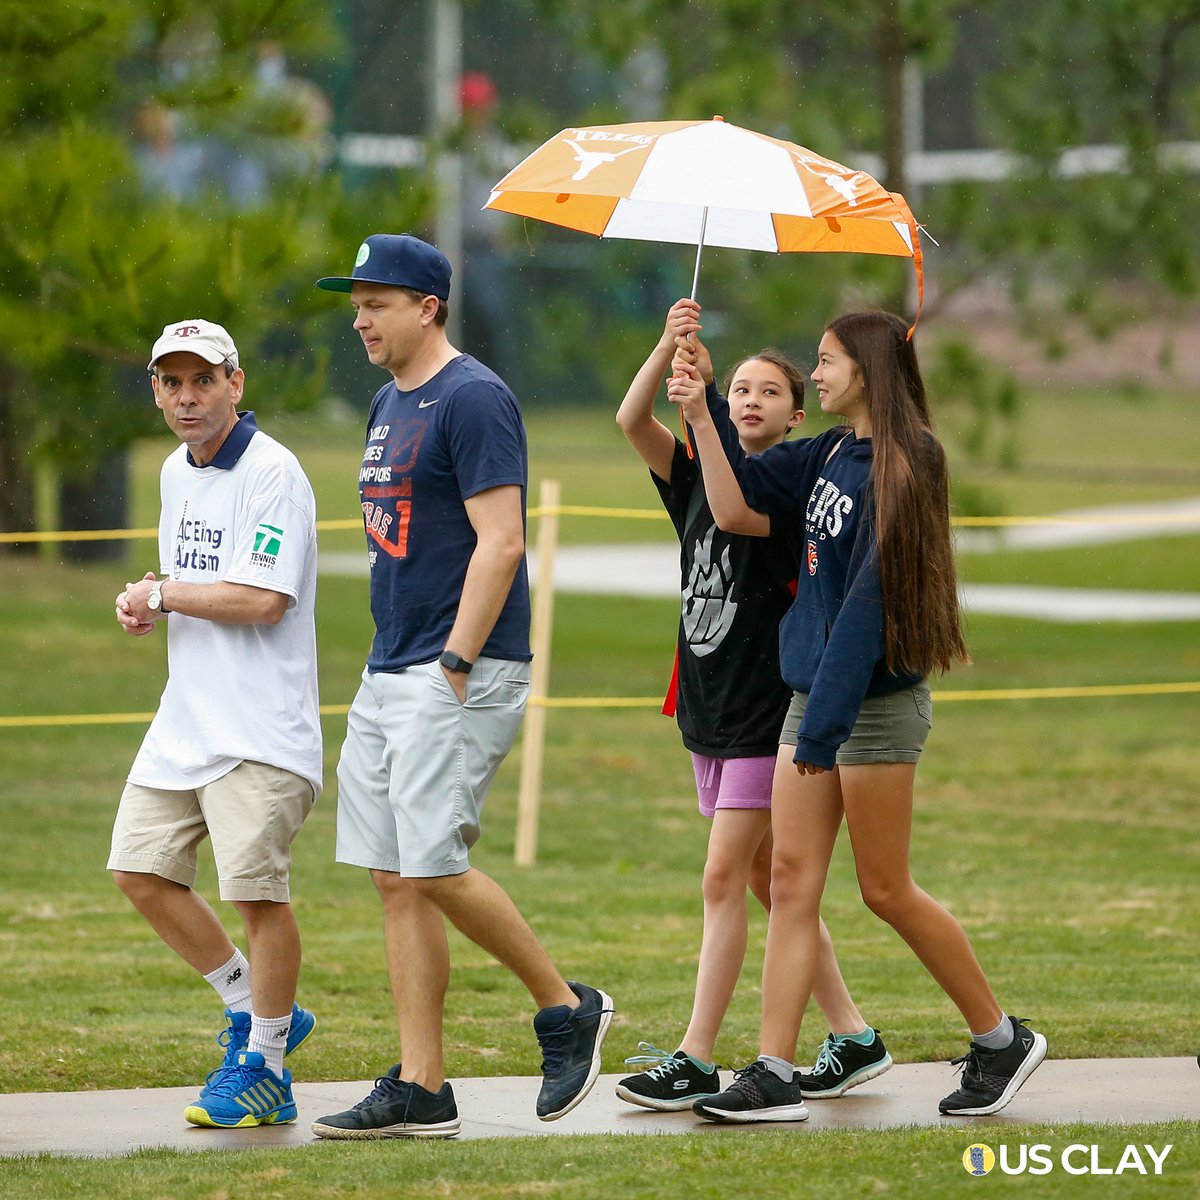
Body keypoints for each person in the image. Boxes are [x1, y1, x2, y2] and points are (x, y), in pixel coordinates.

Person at [668, 310, 1046, 1122]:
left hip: (868, 709)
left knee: (884, 889)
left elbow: (868, 609)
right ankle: (772, 1071)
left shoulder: (908, 462)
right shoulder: (830, 452)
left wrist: (826, 724)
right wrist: (700, 409)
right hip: (813, 701)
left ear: (870, 369)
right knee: (793, 883)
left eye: (828, 360)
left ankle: (1000, 1037)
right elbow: (735, 507)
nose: (819, 370)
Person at [310, 233, 612, 1140]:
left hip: (457, 668)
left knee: (434, 861)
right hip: (391, 662)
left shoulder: (473, 398)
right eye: (355, 301)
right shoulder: (386, 402)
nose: (359, 316)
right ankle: (422, 1083)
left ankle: (566, 1009)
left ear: (427, 307)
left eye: (376, 300)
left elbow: (503, 540)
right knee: (395, 876)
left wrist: (453, 663)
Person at [612, 300, 892, 1113]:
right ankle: (853, 1035)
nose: (750, 400)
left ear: (796, 415)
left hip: (764, 712)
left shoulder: (786, 492)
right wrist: (668, 345)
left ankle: (695, 1056)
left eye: (769, 392)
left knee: (725, 875)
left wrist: (700, 410)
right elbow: (631, 419)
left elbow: (740, 508)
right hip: (709, 707)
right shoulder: (696, 476)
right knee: (771, 880)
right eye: (739, 387)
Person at [110, 319, 321, 1129]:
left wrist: (161, 593)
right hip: (185, 723)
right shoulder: (174, 470)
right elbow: (194, 584)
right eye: (171, 382)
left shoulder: (275, 473)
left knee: (256, 897)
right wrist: (151, 602)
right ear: (157, 388)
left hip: (260, 733)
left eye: (204, 380)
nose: (187, 397)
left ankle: (266, 1067)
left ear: (237, 383)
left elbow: (264, 599)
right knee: (139, 870)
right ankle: (257, 1007)